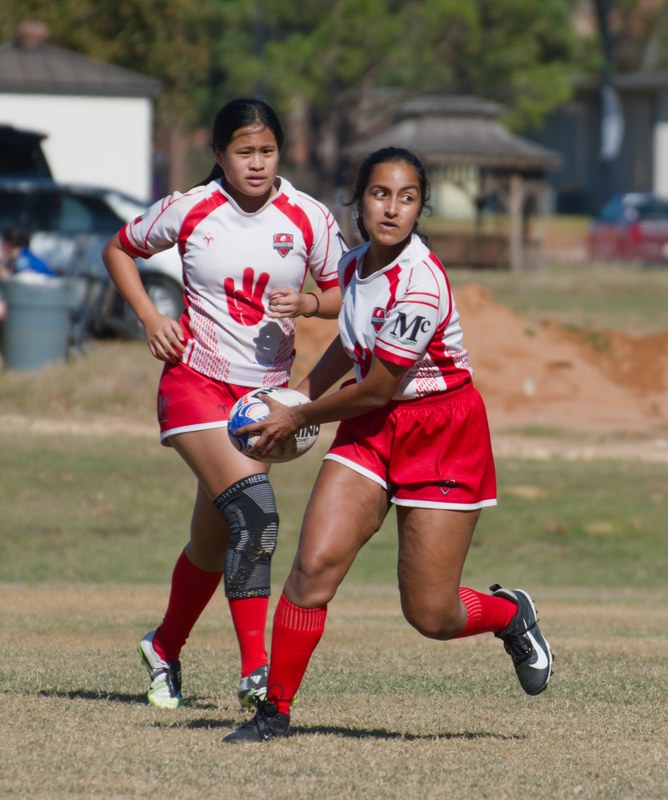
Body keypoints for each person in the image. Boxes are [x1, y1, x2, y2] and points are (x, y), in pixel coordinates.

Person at [222, 146, 554, 743]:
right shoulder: (354, 266)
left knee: (431, 612)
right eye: (380, 194)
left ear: (421, 208)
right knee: (313, 568)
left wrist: (300, 417)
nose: (393, 209)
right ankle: (274, 713)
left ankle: (511, 615)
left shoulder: (422, 283)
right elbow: (351, 344)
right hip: (371, 431)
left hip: (442, 433)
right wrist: (295, 398)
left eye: (408, 197)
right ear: (359, 201)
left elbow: (377, 387)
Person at [101, 97, 345, 711]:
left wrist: (310, 305)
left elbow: (345, 295)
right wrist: (151, 317)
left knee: (214, 541)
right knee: (256, 517)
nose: (257, 163)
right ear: (219, 154)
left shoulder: (309, 217)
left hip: (263, 403)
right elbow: (119, 249)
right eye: (243, 152)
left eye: (267, 151)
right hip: (194, 382)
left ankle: (163, 646)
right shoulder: (190, 207)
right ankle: (256, 672)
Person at [0, 227, 55, 322]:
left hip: (42, 305)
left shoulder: (23, 259)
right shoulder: (22, 257)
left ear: (8, 245)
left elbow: (18, 281)